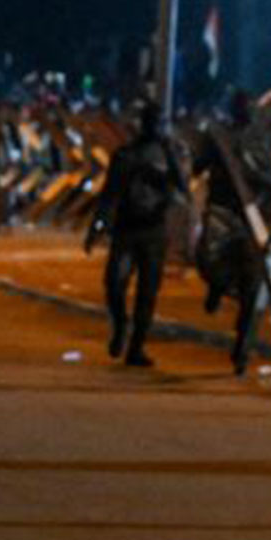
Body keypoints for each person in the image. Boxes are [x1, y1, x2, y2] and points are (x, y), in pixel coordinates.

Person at [86, 102, 186, 367]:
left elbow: (182, 187)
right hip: (127, 229)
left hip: (153, 229)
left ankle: (136, 347)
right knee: (114, 283)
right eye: (153, 121)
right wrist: (95, 228)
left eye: (161, 122)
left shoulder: (167, 155)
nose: (157, 127)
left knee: (148, 292)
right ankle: (120, 325)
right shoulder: (126, 155)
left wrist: (168, 155)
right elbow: (109, 194)